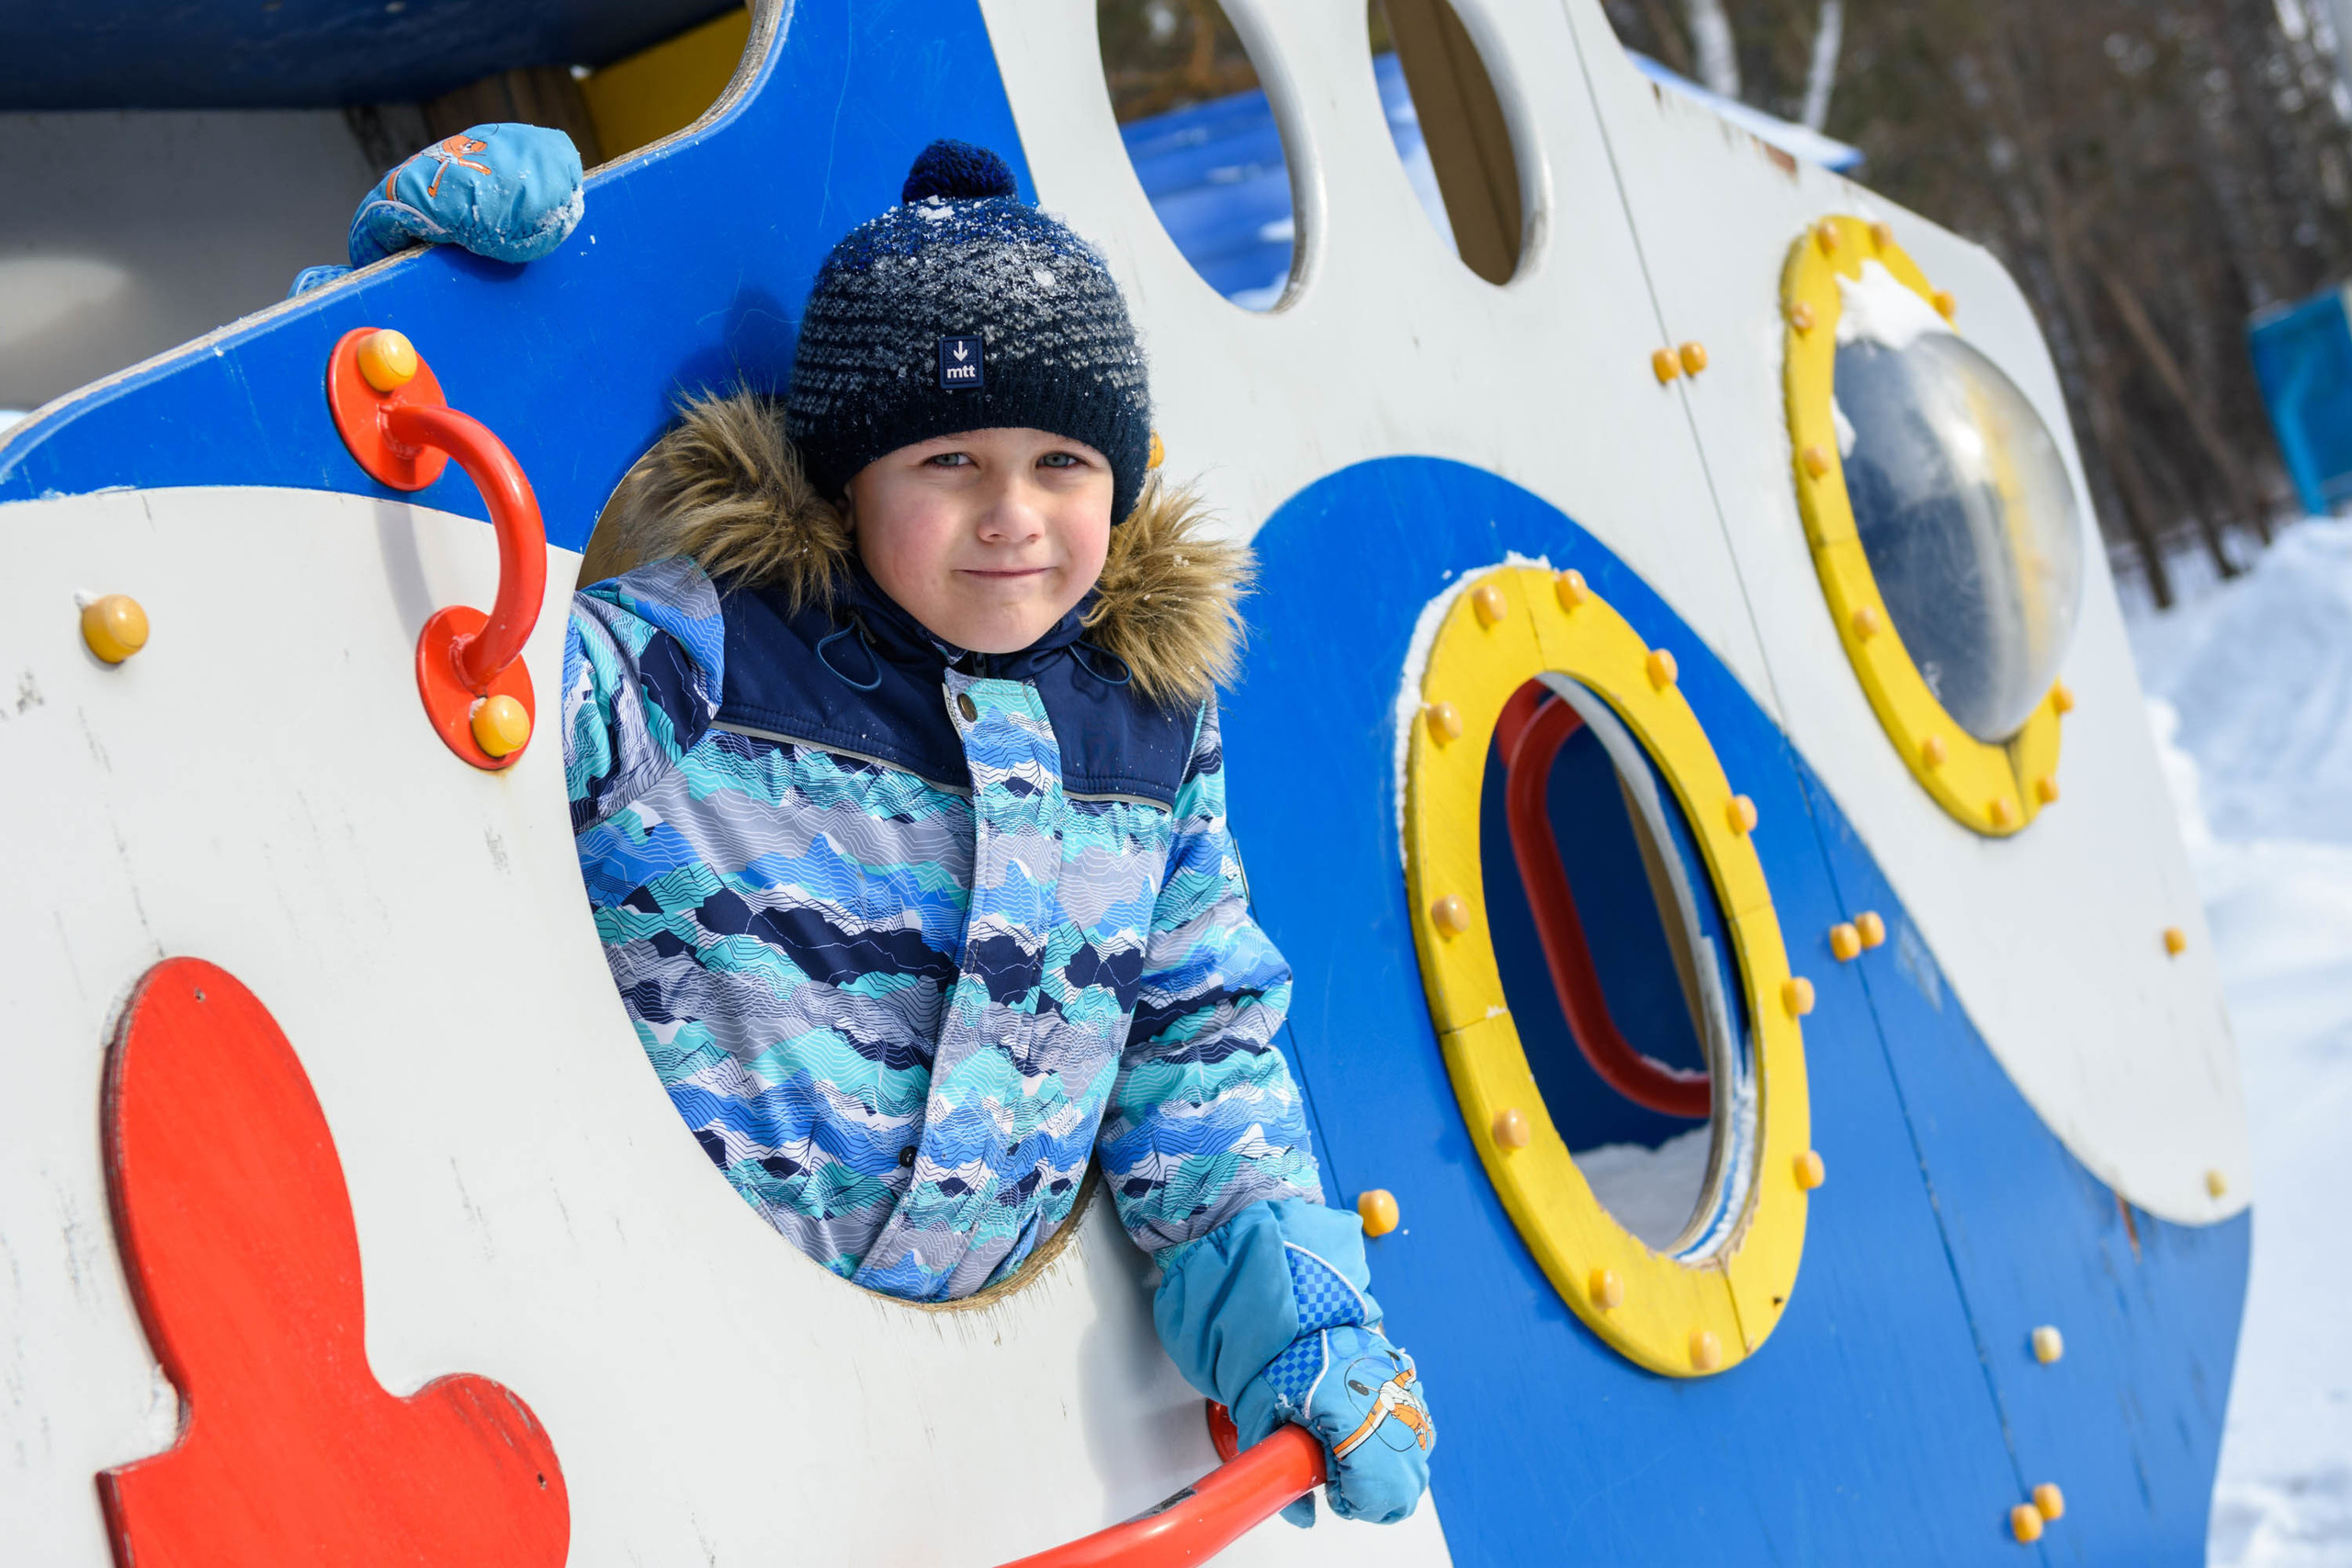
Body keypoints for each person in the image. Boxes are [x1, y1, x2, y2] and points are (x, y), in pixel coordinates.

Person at [380, 128, 1434, 1526]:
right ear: (850, 480)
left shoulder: (1149, 736)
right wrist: (413, 327)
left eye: (1063, 461)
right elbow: (445, 690)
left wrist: (1293, 1318)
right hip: (659, 1366)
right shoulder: (712, 657)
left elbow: (1195, 1046)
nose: (1013, 516)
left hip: (952, 1453)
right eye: (947, 460)